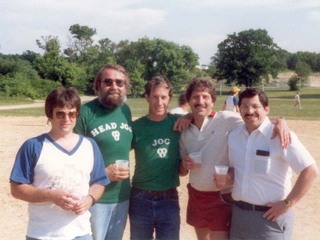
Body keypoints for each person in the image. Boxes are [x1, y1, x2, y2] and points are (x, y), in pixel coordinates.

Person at [179, 78, 291, 240]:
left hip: (221, 196)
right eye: (195, 97)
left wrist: (280, 121)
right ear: (189, 100)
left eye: (205, 97)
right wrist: (184, 164)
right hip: (196, 195)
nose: (200, 101)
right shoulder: (184, 130)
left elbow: (255, 119)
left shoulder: (226, 119)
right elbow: (181, 172)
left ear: (213, 101)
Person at [10, 87, 109, 240]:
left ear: (77, 114)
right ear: (50, 114)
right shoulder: (34, 146)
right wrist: (51, 196)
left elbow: (99, 181)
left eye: (72, 114)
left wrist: (89, 199)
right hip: (42, 234)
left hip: (81, 233)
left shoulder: (89, 145)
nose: (66, 119)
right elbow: (17, 189)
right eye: (60, 113)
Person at [227, 87, 318, 240]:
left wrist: (287, 203)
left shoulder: (280, 136)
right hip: (239, 217)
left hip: (270, 219)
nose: (249, 111)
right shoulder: (234, 136)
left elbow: (310, 171)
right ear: (239, 109)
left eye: (255, 106)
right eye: (244, 106)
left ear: (267, 109)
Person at [74, 64, 132, 240]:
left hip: (122, 196)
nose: (114, 86)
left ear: (125, 87)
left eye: (119, 82)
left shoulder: (125, 110)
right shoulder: (85, 112)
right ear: (97, 85)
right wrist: (103, 173)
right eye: (108, 81)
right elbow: (71, 159)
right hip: (94, 197)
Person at [130, 76, 183, 240]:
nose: (159, 102)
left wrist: (188, 117)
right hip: (140, 198)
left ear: (170, 98)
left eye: (164, 97)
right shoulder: (136, 127)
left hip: (169, 198)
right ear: (147, 97)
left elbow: (205, 116)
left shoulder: (178, 123)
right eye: (155, 97)